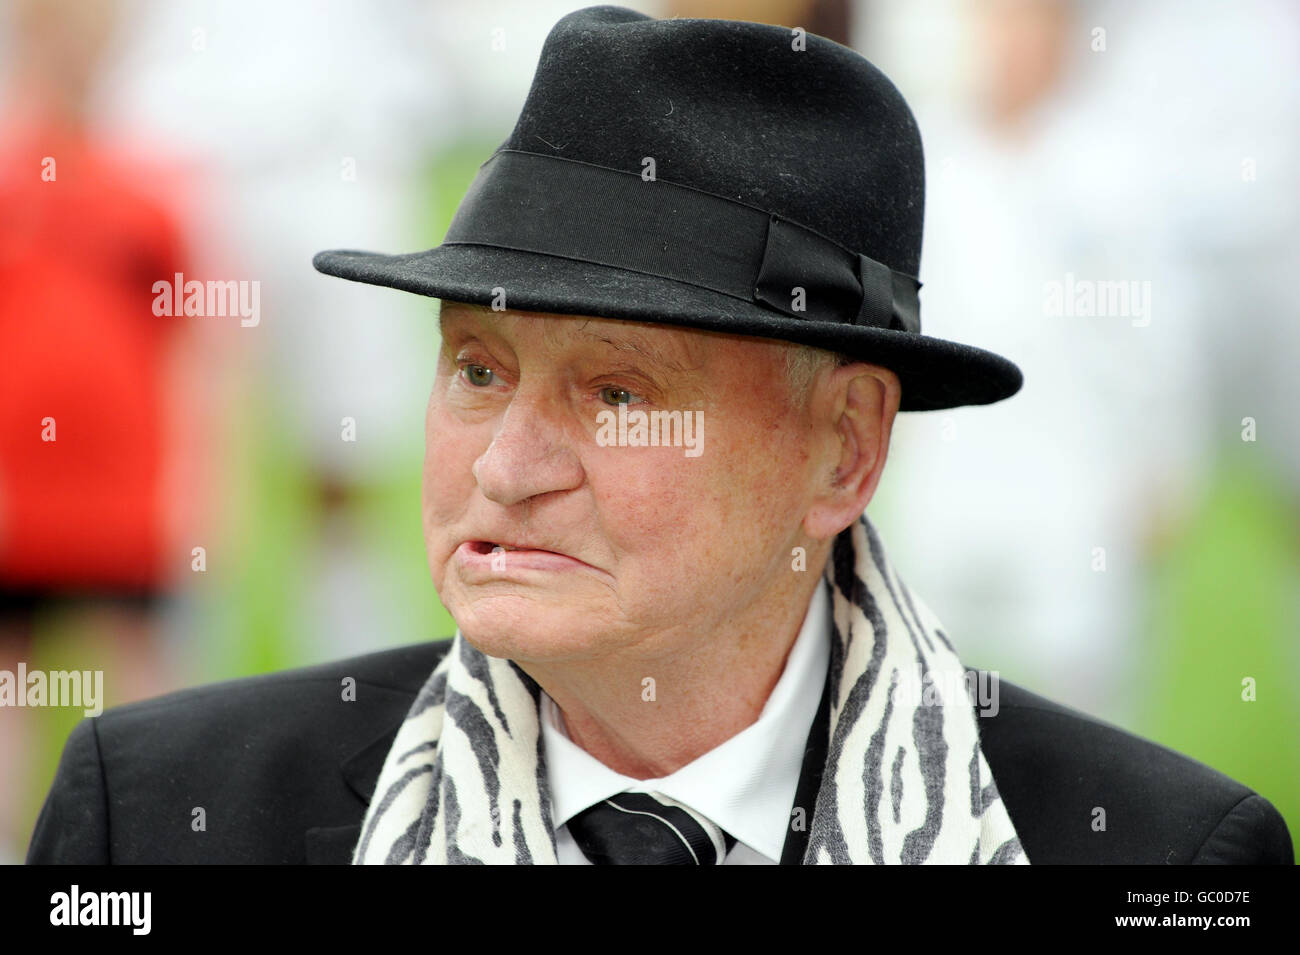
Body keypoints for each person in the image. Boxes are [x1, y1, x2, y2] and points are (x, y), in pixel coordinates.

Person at [26, 6, 1291, 865]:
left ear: (843, 450)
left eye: (617, 394)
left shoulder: (1155, 858)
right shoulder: (157, 821)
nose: (505, 468)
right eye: (477, 368)